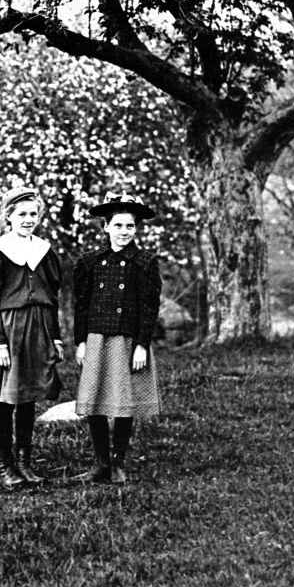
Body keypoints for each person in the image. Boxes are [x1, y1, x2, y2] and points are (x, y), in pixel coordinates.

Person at [0, 186, 64, 489]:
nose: (28, 220)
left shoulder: (43, 250)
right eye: (21, 214)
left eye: (33, 214)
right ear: (8, 216)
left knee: (28, 395)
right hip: (7, 328)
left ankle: (25, 461)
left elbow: (51, 298)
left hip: (38, 327)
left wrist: (56, 338)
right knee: (5, 397)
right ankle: (6, 465)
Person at [72, 191, 162, 484]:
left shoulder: (145, 262)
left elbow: (150, 308)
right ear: (106, 227)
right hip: (97, 337)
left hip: (128, 341)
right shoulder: (90, 262)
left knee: (125, 401)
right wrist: (81, 341)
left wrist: (142, 345)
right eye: (118, 225)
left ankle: (118, 462)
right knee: (95, 399)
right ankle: (100, 463)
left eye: (130, 226)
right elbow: (81, 305)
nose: (124, 232)